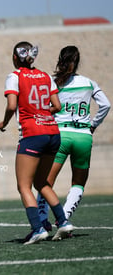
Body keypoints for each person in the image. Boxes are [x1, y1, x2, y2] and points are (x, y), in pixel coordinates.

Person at [0, 41, 73, 245]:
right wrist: (43, 113)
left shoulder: (15, 76)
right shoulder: (46, 76)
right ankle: (63, 222)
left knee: (24, 186)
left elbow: (12, 105)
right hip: (52, 133)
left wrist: (3, 123)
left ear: (15, 57)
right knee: (42, 183)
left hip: (33, 134)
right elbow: (57, 105)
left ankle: (38, 229)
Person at [36, 45, 111, 226]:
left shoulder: (53, 82)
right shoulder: (89, 82)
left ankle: (42, 220)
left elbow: (42, 107)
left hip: (60, 134)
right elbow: (106, 105)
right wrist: (92, 125)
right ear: (77, 62)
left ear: (60, 60)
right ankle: (65, 218)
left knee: (45, 181)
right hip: (83, 136)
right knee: (78, 183)